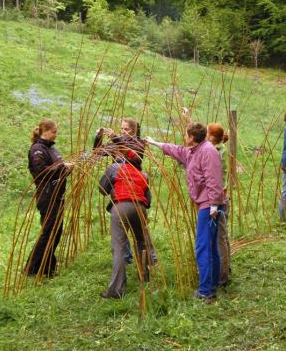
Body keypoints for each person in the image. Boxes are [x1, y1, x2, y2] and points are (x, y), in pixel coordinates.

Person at [146, 123, 224, 303]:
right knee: (211, 245)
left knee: (203, 247)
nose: (184, 137)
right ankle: (213, 283)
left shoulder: (208, 151)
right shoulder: (193, 151)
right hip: (206, 203)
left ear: (191, 136)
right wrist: (154, 143)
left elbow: (214, 177)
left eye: (186, 135)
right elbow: (177, 150)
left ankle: (206, 291)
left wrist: (213, 204)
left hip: (208, 205)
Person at [98, 145, 154, 299]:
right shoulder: (143, 174)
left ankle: (116, 289)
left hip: (120, 207)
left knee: (119, 247)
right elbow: (148, 201)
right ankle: (147, 277)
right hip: (140, 208)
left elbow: (102, 189)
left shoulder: (115, 168)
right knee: (142, 242)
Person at [25, 119, 74, 278]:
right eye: (54, 131)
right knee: (49, 231)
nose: (56, 134)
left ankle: (47, 266)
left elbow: (58, 172)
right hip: (47, 196)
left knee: (56, 231)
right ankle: (32, 267)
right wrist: (62, 167)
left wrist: (67, 169)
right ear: (45, 131)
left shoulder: (52, 149)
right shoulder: (37, 150)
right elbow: (42, 172)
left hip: (57, 195)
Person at [206, 123, 232, 287]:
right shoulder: (219, 148)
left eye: (207, 133)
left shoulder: (216, 151)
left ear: (211, 137)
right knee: (222, 236)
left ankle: (222, 276)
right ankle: (226, 268)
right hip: (223, 197)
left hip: (218, 199)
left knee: (220, 238)